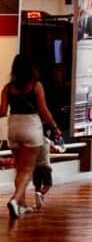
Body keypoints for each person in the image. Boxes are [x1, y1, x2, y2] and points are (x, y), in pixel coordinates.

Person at [0, 55, 62, 218]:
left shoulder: (8, 88)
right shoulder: (35, 86)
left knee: (20, 169)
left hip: (13, 127)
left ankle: (21, 205)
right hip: (31, 126)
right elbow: (43, 110)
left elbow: (2, 111)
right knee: (27, 170)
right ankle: (14, 200)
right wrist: (55, 127)